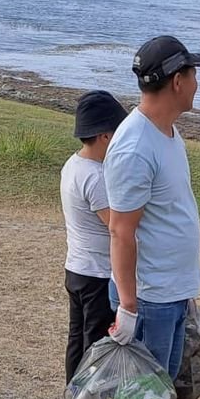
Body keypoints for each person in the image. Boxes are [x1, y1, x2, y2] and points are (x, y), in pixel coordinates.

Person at [105, 35, 200, 399]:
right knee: (143, 388)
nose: (197, 81)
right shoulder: (134, 147)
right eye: (192, 73)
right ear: (177, 81)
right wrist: (128, 306)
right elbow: (120, 229)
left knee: (159, 386)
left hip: (170, 287)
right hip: (148, 296)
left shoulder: (166, 131)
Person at [62, 90, 126, 381]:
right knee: (96, 345)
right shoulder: (96, 177)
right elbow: (115, 225)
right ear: (104, 137)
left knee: (77, 339)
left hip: (76, 268)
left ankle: (72, 395)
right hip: (97, 275)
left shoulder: (73, 165)